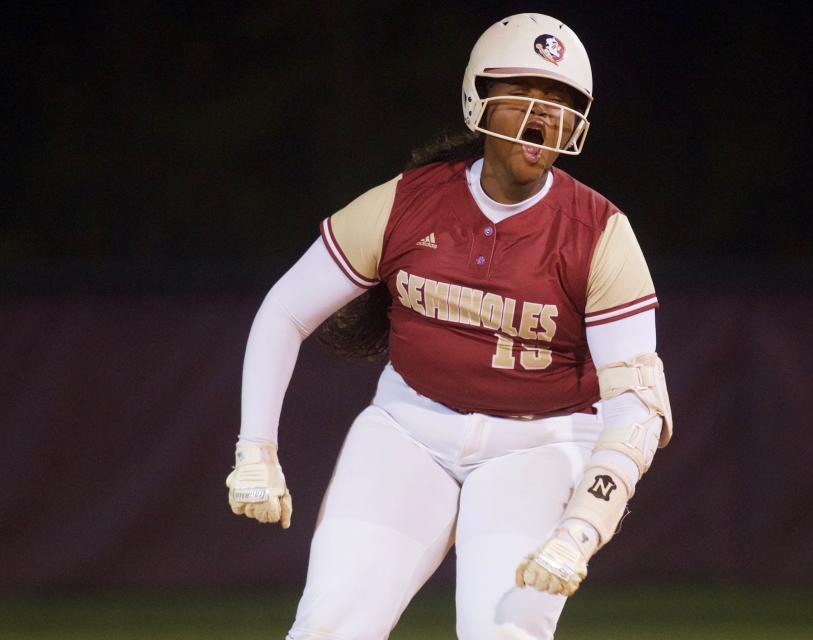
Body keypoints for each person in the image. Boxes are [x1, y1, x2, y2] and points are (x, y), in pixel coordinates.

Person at [225, 12, 674, 640]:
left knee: (501, 634)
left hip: (539, 445)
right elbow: (285, 310)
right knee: (328, 627)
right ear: (479, 98)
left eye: (561, 102)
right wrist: (255, 448)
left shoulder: (599, 235)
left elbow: (637, 410)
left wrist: (582, 527)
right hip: (409, 429)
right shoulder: (409, 202)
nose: (544, 115)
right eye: (525, 94)